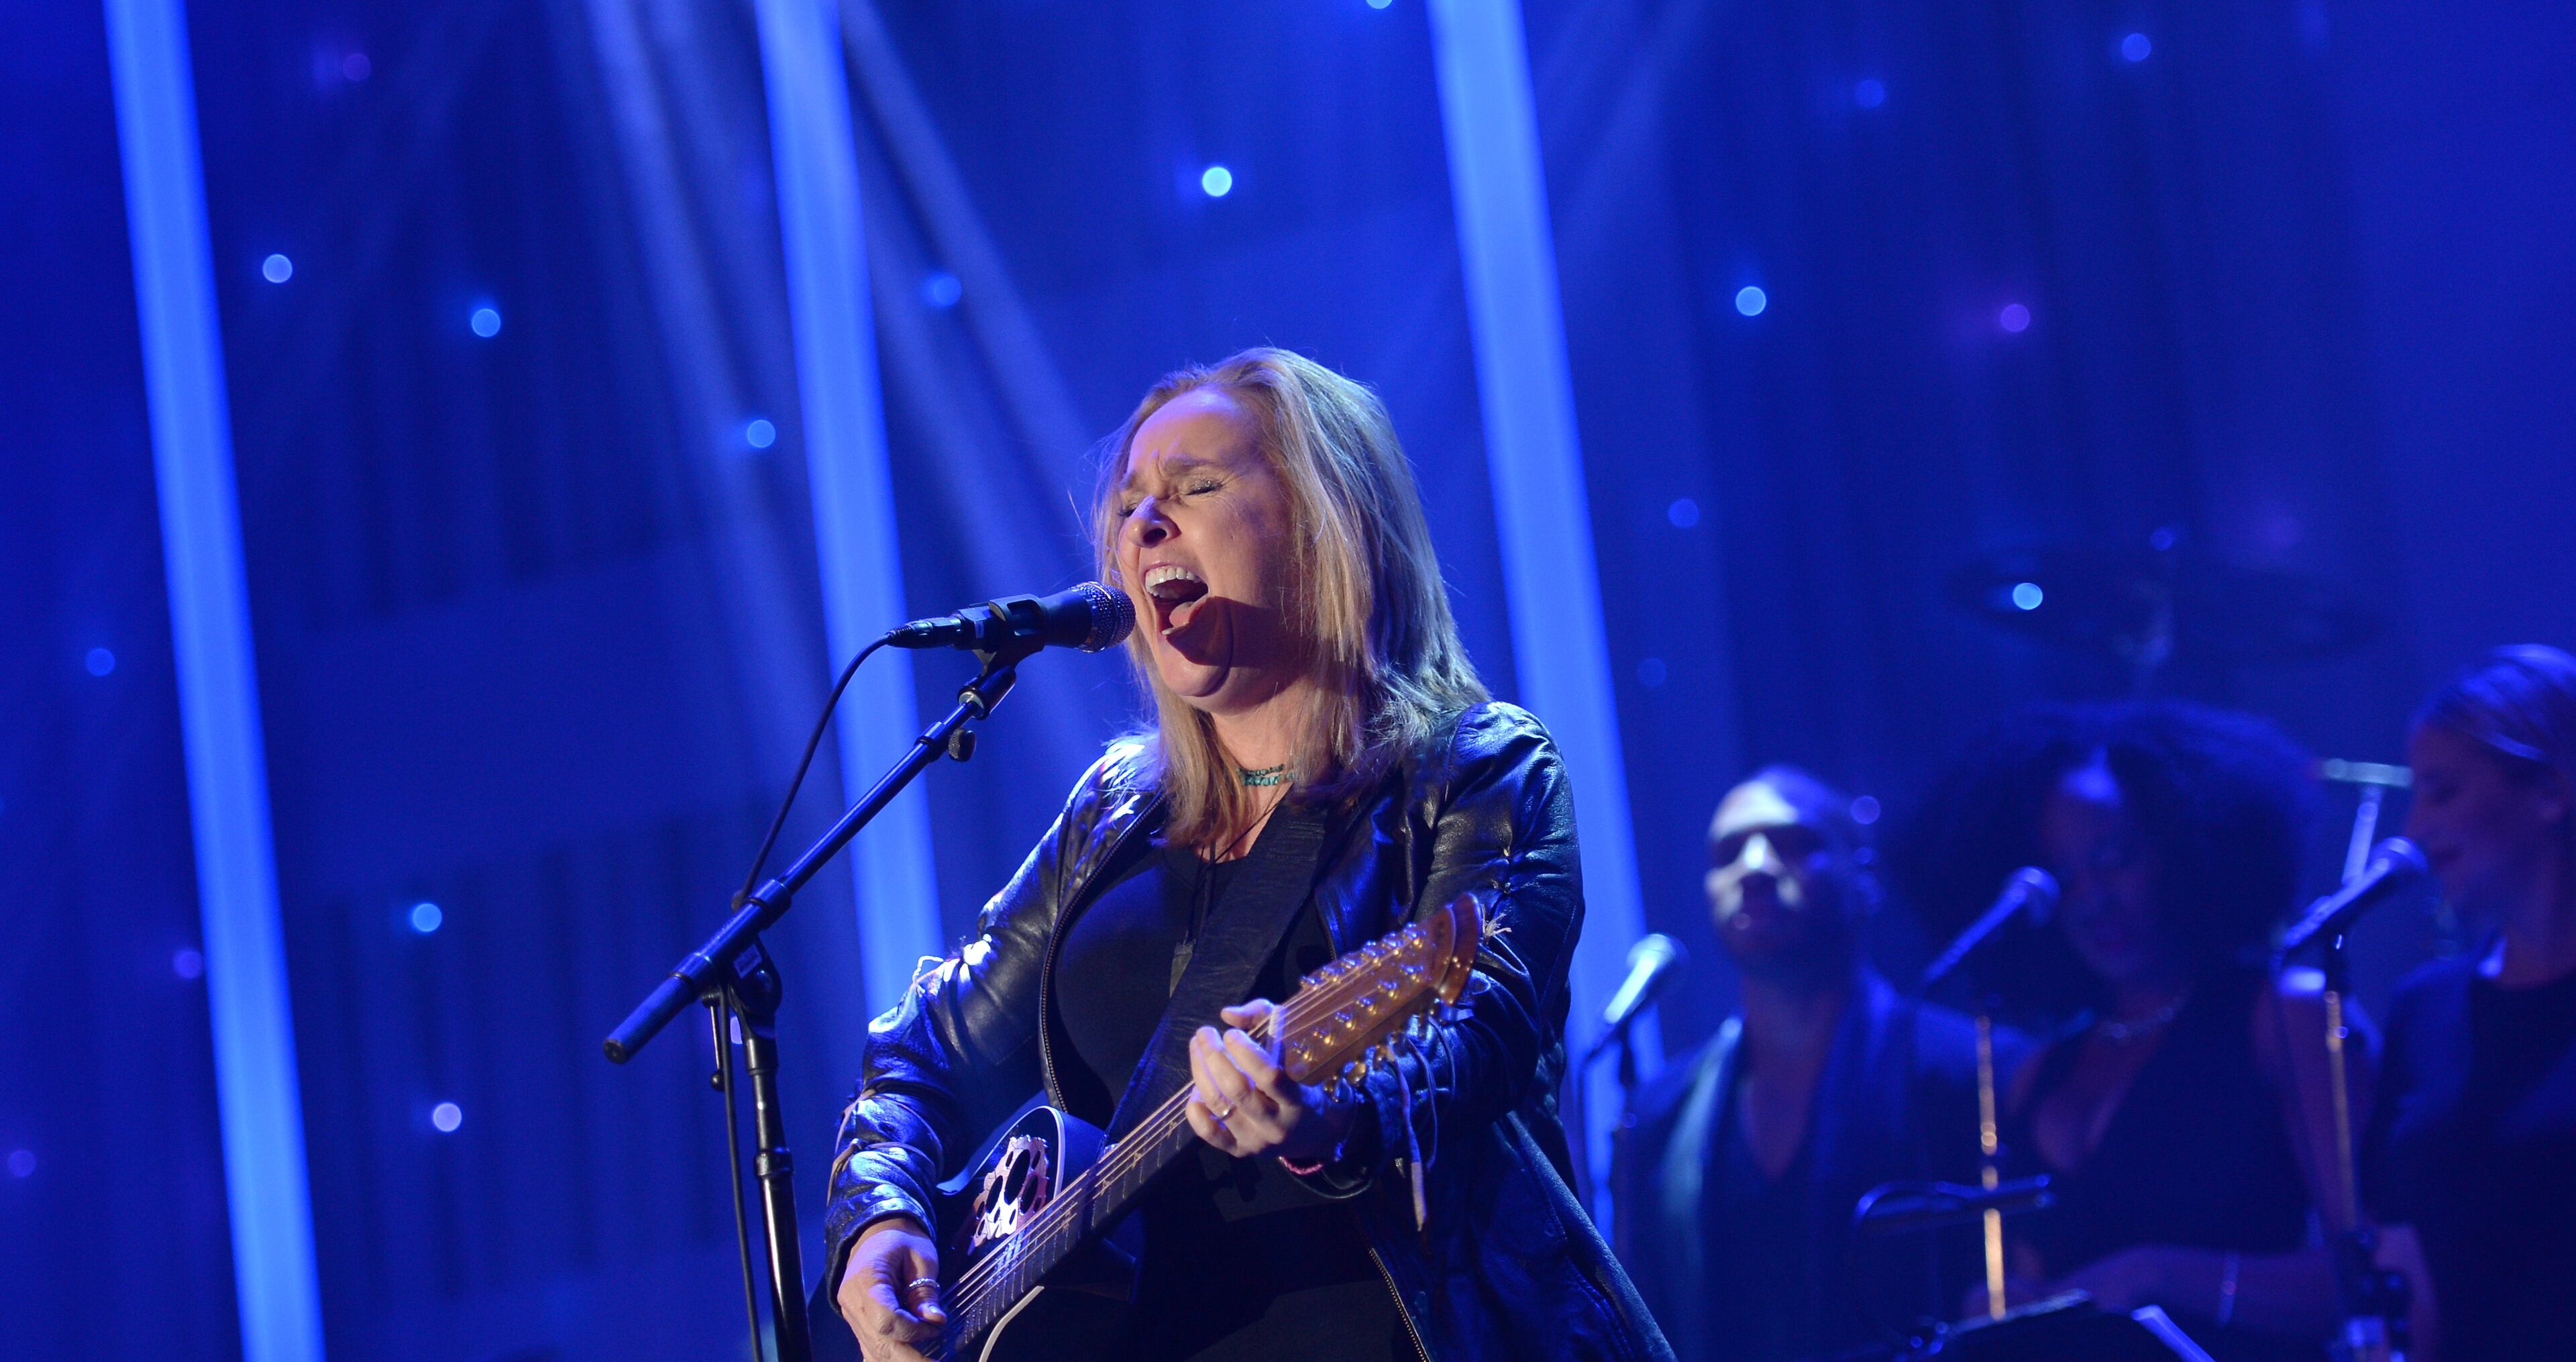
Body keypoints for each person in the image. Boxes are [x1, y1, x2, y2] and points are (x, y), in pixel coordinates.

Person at [818, 350, 1670, 1362]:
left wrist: (1330, 1119)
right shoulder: (1111, 815)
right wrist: (878, 1222)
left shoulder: (1472, 771)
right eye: (1130, 505)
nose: (1144, 525)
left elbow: (1476, 1035)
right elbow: (922, 1057)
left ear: (1326, 527)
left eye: (1199, 487)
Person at [1902, 701, 2363, 1361]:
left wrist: (2158, 1275)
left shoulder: (2282, 1017)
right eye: (2064, 879)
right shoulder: (2039, 1075)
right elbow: (2039, 1285)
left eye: (2114, 859)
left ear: (2185, 845)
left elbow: (2375, 1276)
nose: (2093, 901)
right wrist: (2013, 1308)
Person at [1614, 766, 2015, 1362]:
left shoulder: (1973, 1068)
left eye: (1794, 843)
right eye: (1727, 853)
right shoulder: (1661, 1114)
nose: (1754, 867)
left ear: (1865, 880)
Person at [2365, 644, 2576, 1361]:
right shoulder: (2425, 1010)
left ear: (2550, 789)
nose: (2414, 830)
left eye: (2442, 791)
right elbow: (2410, 1261)